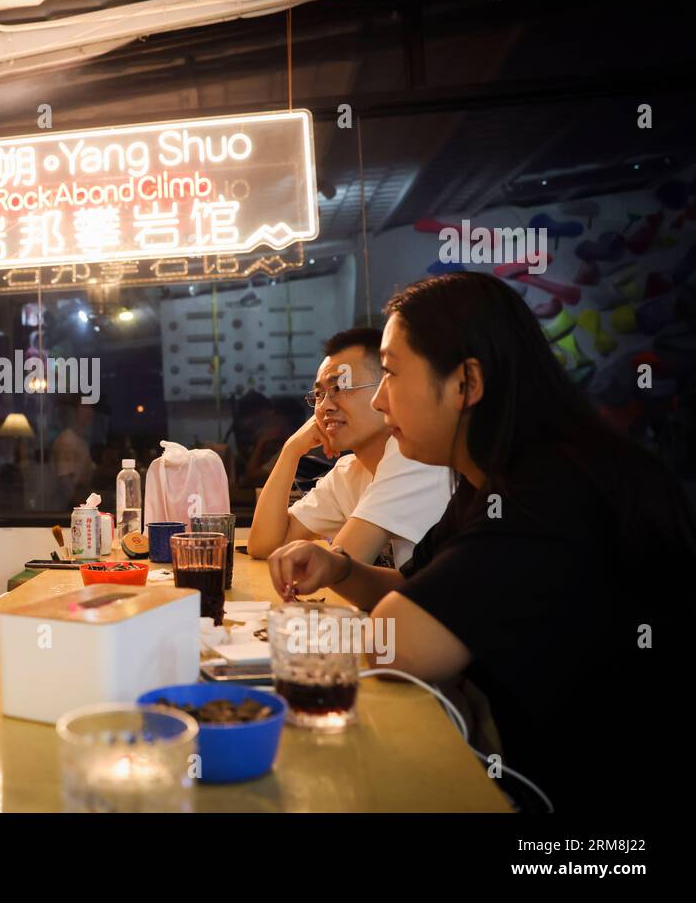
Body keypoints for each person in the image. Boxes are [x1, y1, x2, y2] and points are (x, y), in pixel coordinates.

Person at [266, 273, 696, 812]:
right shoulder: (487, 479)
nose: (378, 401)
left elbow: (400, 645)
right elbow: (410, 585)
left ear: (467, 383)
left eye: (392, 374)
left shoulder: (548, 488)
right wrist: (339, 569)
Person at [247, 328, 452, 568]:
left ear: (386, 389)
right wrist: (291, 451)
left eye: (341, 388)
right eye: (318, 394)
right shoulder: (349, 473)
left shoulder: (414, 459)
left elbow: (332, 568)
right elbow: (264, 545)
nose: (324, 406)